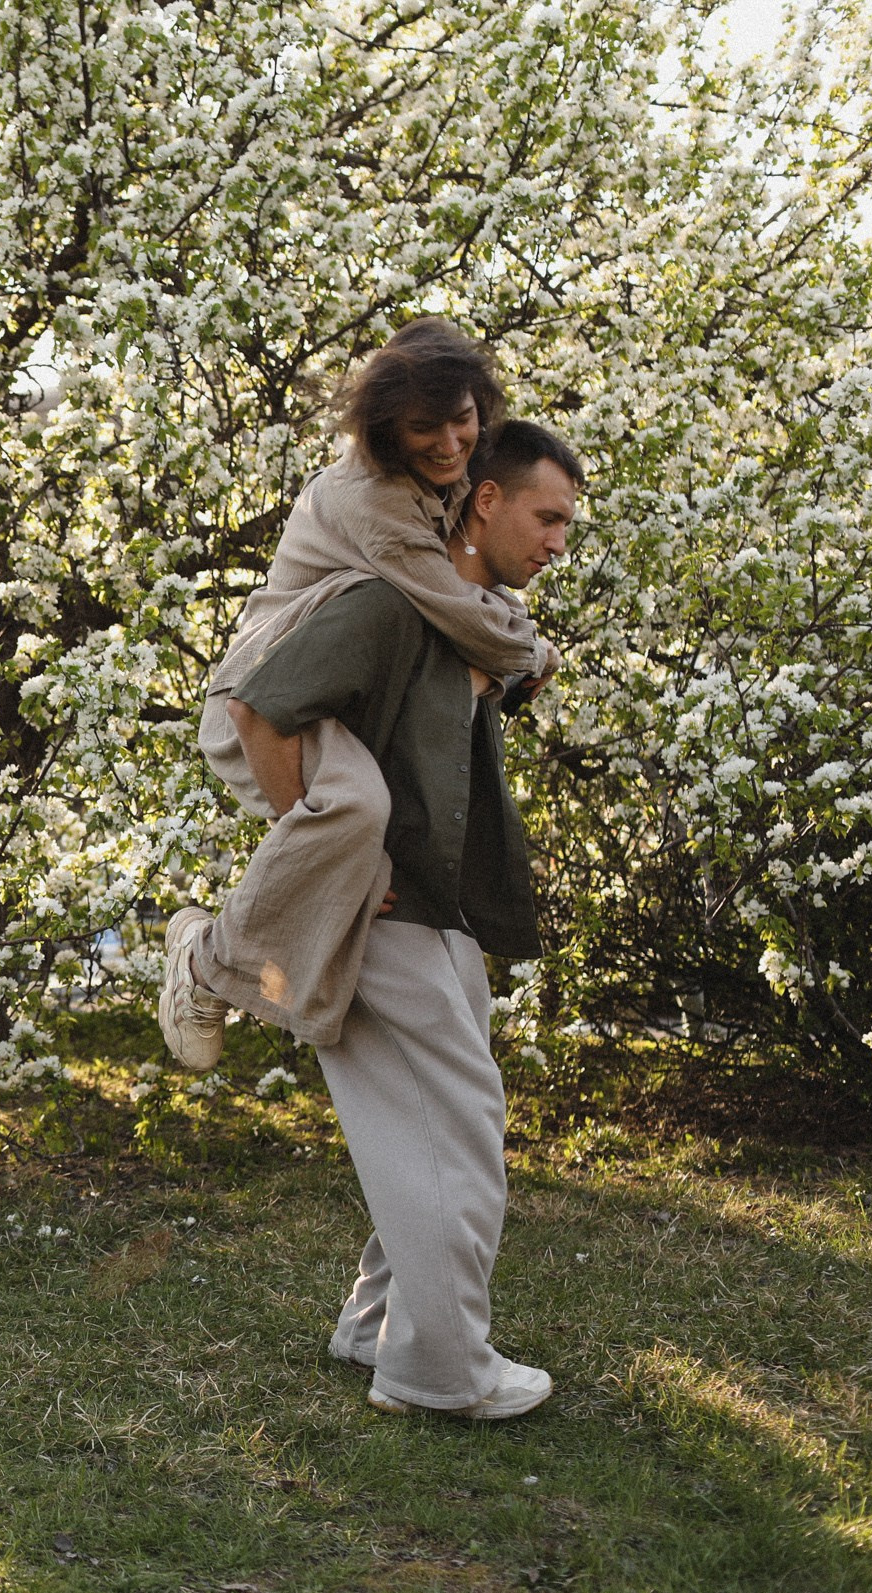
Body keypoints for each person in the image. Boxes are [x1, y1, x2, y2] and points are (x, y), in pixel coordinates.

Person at [217, 418, 585, 1418]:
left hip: (444, 910)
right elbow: (261, 708)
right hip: (389, 914)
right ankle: (436, 1371)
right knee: (457, 1137)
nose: (558, 542)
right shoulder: (387, 604)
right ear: (484, 499)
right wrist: (328, 850)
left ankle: (374, 1326)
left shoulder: (468, 618)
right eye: (547, 516)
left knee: (431, 1129)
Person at [162, 318, 560, 1059]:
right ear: (383, 431)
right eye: (423, 429)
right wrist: (528, 648)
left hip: (342, 701)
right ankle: (206, 964)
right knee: (357, 809)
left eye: (463, 420)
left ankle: (236, 967)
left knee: (366, 820)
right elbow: (451, 609)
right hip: (276, 688)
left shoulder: (446, 479)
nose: (448, 444)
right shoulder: (373, 502)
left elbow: (467, 593)